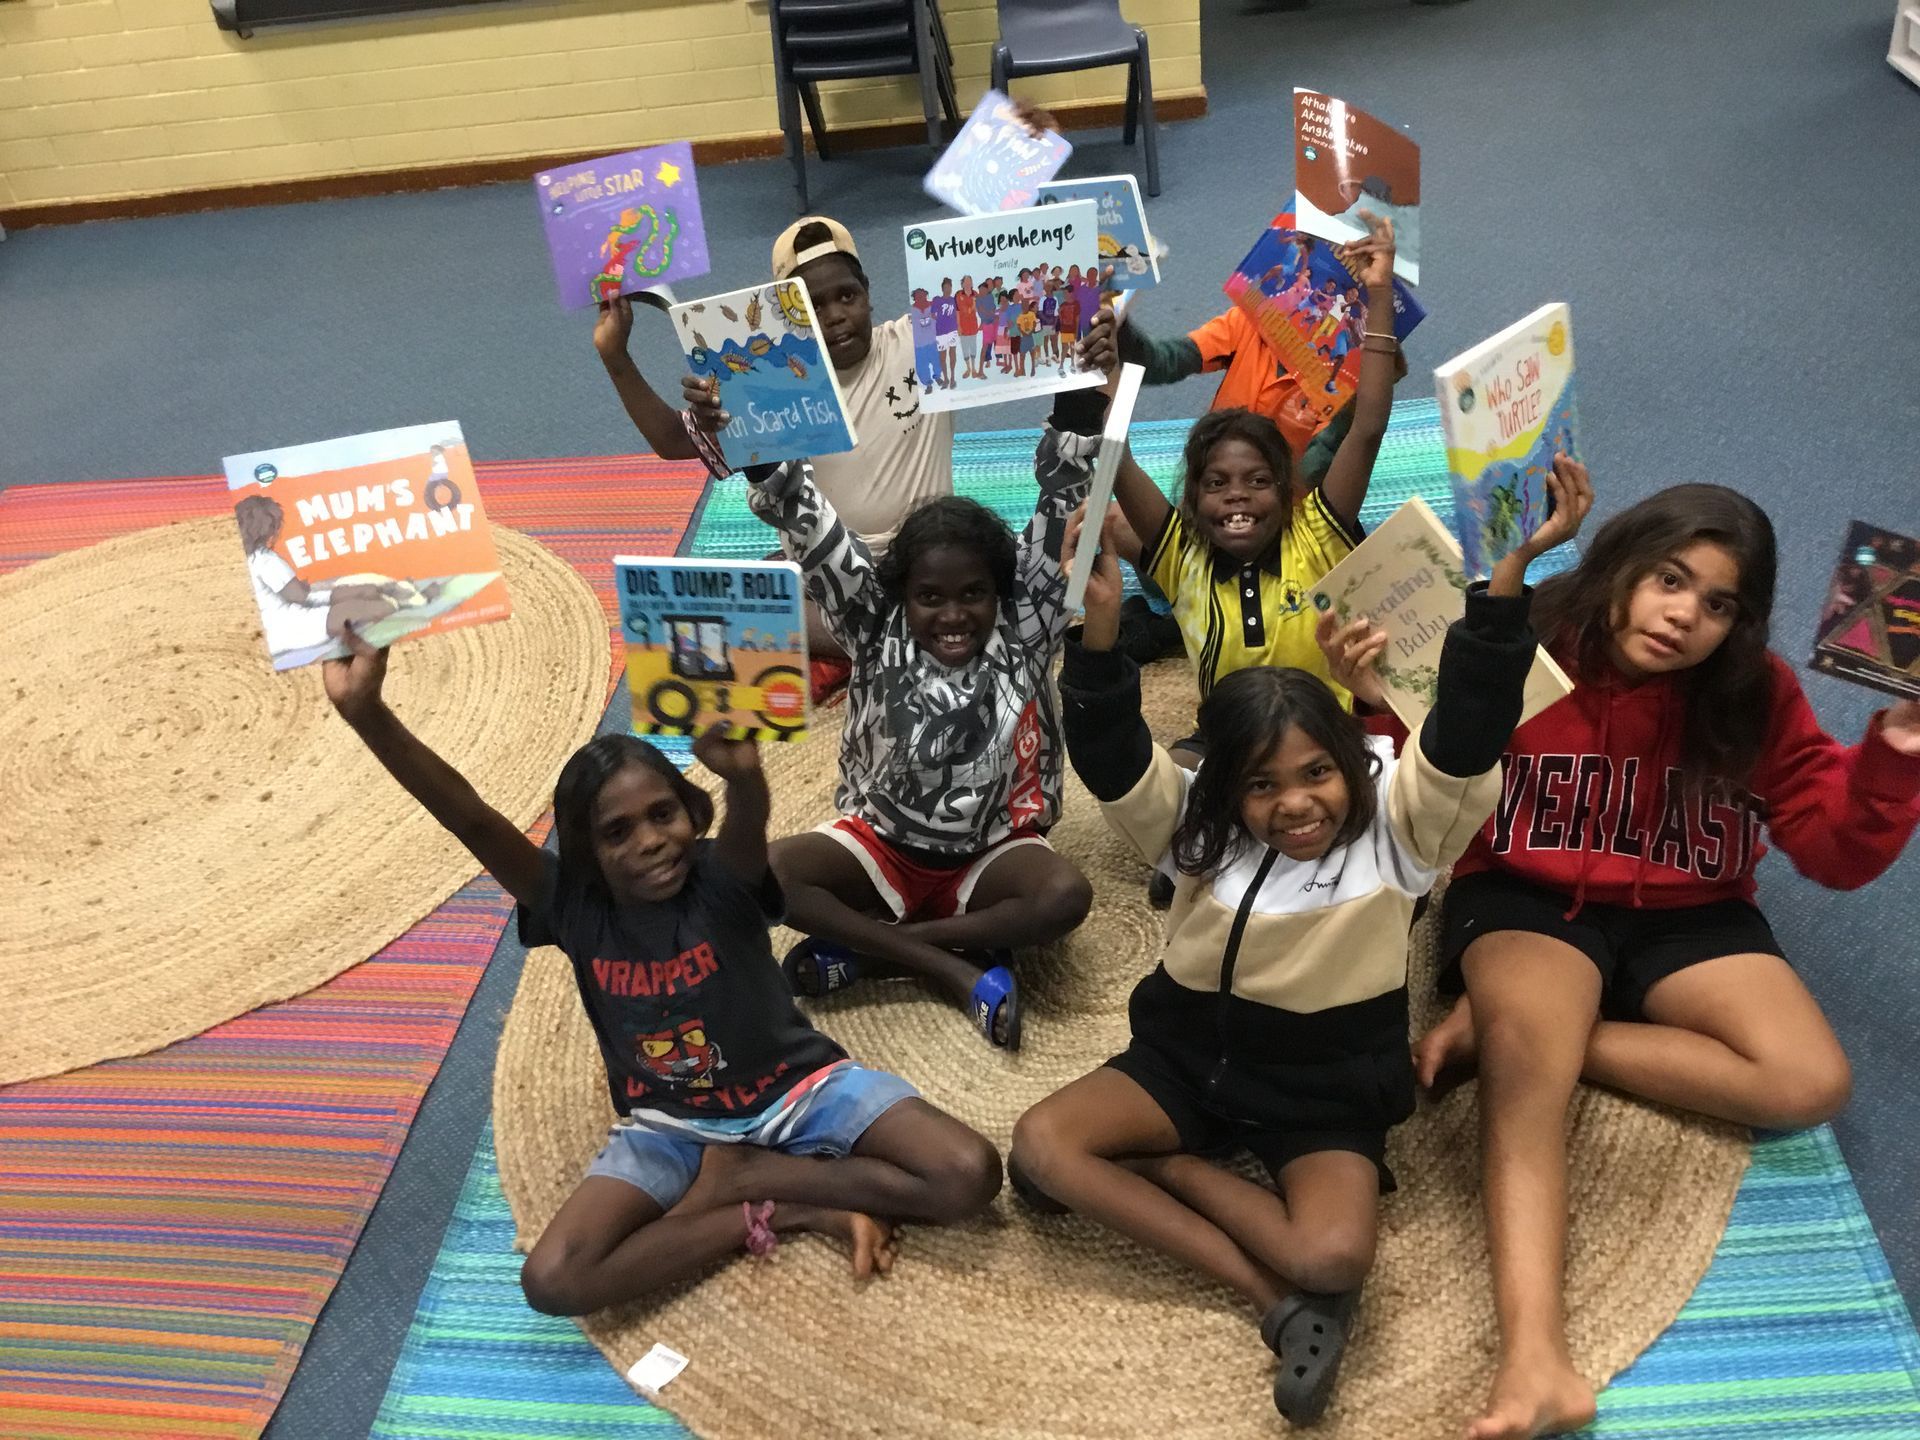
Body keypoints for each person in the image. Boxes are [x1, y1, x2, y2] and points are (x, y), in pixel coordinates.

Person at [1321, 484, 1920, 1440]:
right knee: (1529, 1093)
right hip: (1526, 894)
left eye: (1720, 603)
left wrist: (1893, 754)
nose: (1685, 614)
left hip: (1691, 912)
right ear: (1620, 567)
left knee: (1810, 1081)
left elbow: (1834, 854)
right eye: (1669, 580)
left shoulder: (1753, 692)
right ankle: (1534, 1362)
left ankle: (1530, 1028)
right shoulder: (1525, 635)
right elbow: (1414, 789)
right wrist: (1368, 701)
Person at [1008, 467, 1588, 1423]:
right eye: (1264, 788)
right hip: (1190, 1053)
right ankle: (1267, 1299)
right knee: (1041, 1143)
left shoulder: (1404, 823)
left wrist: (1509, 575)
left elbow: (1468, 730)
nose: (1297, 804)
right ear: (1227, 791)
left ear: (1353, 763)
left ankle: (1160, 1170)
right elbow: (1111, 754)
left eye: (1318, 773)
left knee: (1332, 1254)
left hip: (1324, 1082)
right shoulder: (1200, 823)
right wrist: (1097, 632)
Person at [323, 632, 1003, 1312]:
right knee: (553, 1279)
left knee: (967, 1174)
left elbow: (748, 824)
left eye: (662, 814)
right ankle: (778, 1208)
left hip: (800, 1089)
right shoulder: (572, 905)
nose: (650, 840)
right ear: (586, 851)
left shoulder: (720, 877)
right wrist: (368, 715)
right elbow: (469, 817)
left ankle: (753, 1173)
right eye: (617, 832)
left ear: (691, 812)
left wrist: (743, 776)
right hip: (671, 1126)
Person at [742, 382, 1120, 1051]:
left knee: (1065, 896)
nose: (953, 615)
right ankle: (950, 961)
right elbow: (813, 529)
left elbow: (1061, 508)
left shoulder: (1027, 622)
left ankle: (883, 952)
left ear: (1001, 593)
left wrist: (1081, 404)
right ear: (901, 597)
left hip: (995, 854)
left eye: (974, 594)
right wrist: (759, 453)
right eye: (930, 597)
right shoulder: (871, 621)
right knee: (762, 872)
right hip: (882, 842)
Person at [1111, 212, 1401, 761]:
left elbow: (1366, 427)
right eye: (1218, 483)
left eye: (1255, 481)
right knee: (1170, 778)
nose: (1237, 492)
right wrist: (1107, 326)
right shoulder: (1185, 553)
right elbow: (1116, 453)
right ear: (1193, 499)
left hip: (1325, 738)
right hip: (1231, 738)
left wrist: (1381, 295)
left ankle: (1157, 616)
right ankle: (1158, 615)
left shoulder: (1315, 532)